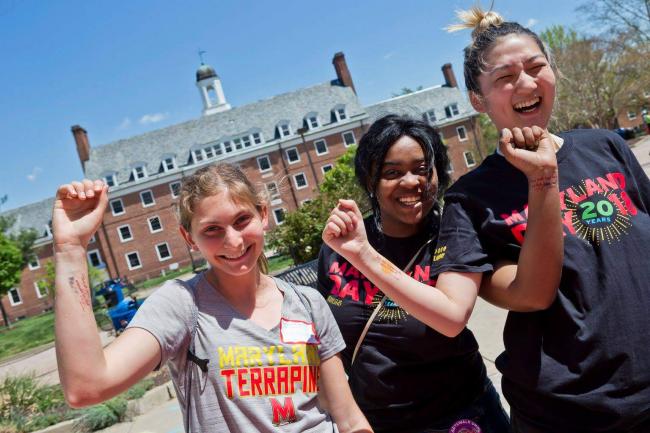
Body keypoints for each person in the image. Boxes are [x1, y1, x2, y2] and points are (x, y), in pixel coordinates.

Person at [434, 6, 650, 432]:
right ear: (478, 100)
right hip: (572, 414)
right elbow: (529, 295)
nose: (526, 83)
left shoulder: (606, 147)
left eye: (536, 67)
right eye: (505, 77)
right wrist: (543, 179)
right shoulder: (469, 199)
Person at [52, 163, 373, 433]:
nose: (233, 241)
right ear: (188, 238)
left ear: (262, 214)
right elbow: (87, 386)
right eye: (212, 230)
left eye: (241, 220)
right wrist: (70, 249)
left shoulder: (307, 303)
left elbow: (346, 417)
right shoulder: (182, 306)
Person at [317, 114, 511, 433]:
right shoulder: (341, 244)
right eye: (392, 172)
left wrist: (364, 255)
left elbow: (451, 318)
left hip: (461, 417)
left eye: (422, 169)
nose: (411, 182)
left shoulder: (453, 232)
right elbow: (326, 342)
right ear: (371, 181)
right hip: (376, 422)